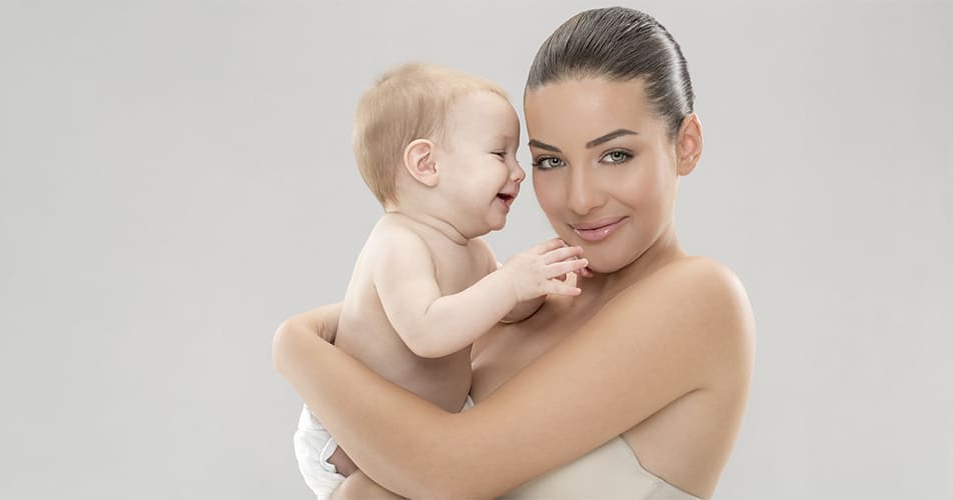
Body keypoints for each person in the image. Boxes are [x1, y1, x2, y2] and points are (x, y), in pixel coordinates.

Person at [275, 7, 755, 499]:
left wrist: (294, 347)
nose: (580, 198)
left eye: (615, 155)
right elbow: (388, 319)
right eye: (551, 160)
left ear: (686, 146)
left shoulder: (700, 298)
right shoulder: (518, 293)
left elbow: (447, 471)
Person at [292, 62, 592, 500]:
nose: (519, 171)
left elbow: (506, 310)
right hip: (347, 435)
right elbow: (428, 332)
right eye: (499, 154)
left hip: (413, 433)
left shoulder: (474, 252)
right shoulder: (399, 242)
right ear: (426, 164)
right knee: (372, 492)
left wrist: (541, 281)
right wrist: (511, 281)